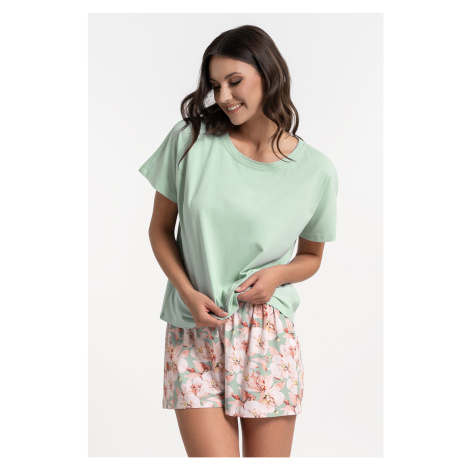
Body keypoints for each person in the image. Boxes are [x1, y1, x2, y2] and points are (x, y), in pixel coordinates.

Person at [138, 25, 338, 458]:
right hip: (194, 328)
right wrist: (187, 293)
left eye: (234, 81)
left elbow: (311, 256)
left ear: (269, 75)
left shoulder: (316, 171)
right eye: (215, 85)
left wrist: (277, 276)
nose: (223, 96)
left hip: (266, 336)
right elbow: (160, 230)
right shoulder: (189, 140)